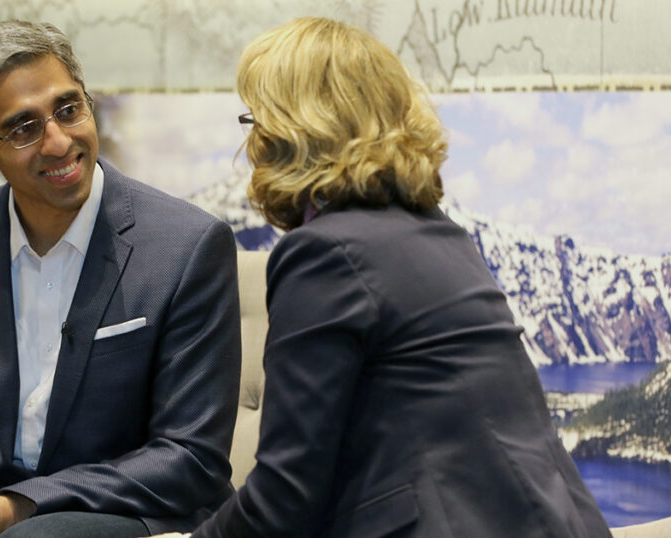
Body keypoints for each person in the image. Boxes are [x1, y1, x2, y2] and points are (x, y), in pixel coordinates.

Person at [153, 17, 611, 538]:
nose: (254, 140)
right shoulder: (442, 237)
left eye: (256, 119)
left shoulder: (327, 253)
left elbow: (284, 498)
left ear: (292, 128)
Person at [0, 20, 241, 538]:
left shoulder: (188, 246)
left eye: (69, 109)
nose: (58, 142)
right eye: (24, 128)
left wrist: (14, 507)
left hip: (136, 510)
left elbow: (189, 457)